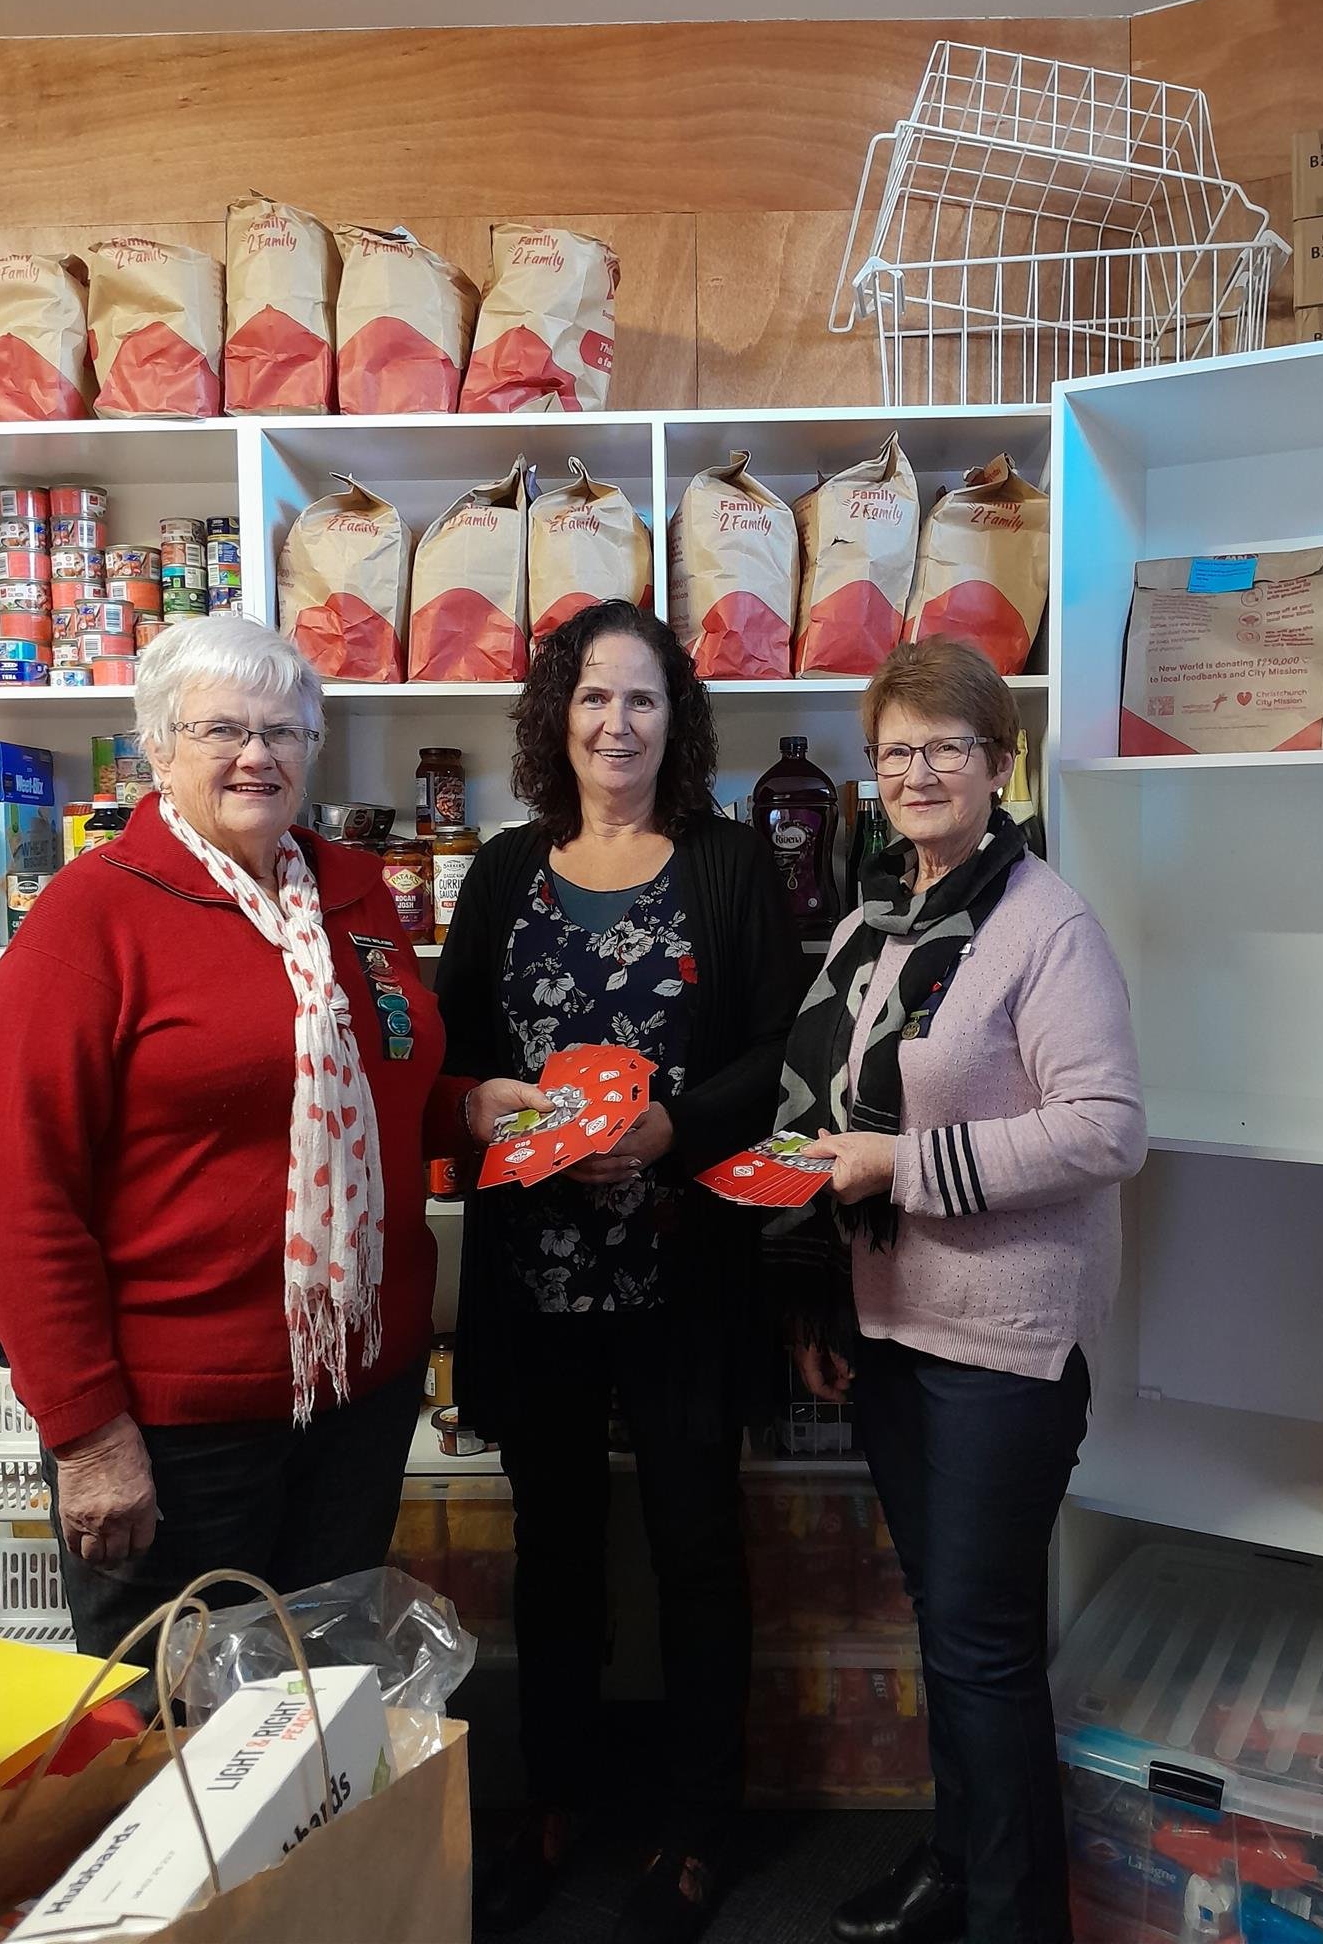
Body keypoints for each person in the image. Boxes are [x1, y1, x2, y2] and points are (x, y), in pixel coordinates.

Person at [0, 617, 547, 1667]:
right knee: (175, 1733)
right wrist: (88, 1434)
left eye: (284, 729)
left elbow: (377, 1081)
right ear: (157, 746)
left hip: (357, 1390)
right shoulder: (90, 917)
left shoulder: (354, 893)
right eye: (222, 728)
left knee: (318, 1705)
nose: (257, 754)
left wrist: (461, 1108)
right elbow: (19, 1193)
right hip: (177, 1420)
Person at [436, 600, 801, 1944]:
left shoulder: (727, 864)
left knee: (699, 1549)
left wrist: (672, 1126)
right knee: (558, 1552)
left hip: (680, 1272)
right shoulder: (499, 872)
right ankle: (559, 1802)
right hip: (537, 1275)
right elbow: (455, 1060)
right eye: (592, 698)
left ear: (676, 720)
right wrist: (493, 1107)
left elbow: (780, 1051)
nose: (617, 723)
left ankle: (701, 1830)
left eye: (643, 699)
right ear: (555, 716)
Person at [782, 639, 1147, 1944]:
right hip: (894, 1326)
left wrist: (905, 1165)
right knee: (949, 1629)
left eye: (949, 745)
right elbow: (833, 1105)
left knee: (984, 1649)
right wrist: (837, 1305)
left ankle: (1011, 1916)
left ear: (1002, 763)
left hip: (1002, 1342)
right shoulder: (882, 912)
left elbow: (1107, 1129)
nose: (921, 769)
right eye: (896, 750)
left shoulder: (1044, 923)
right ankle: (956, 1872)